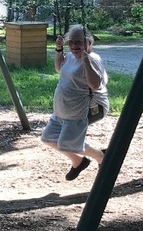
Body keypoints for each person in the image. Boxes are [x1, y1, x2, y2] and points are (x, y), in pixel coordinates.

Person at [41, 25, 108, 181]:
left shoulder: (93, 59)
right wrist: (59, 49)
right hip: (62, 110)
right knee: (48, 138)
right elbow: (59, 68)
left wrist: (86, 61)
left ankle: (101, 157)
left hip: (82, 110)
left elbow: (96, 84)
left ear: (88, 43)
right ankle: (79, 161)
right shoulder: (71, 56)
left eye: (78, 42)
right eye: (71, 42)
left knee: (68, 144)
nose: (74, 46)